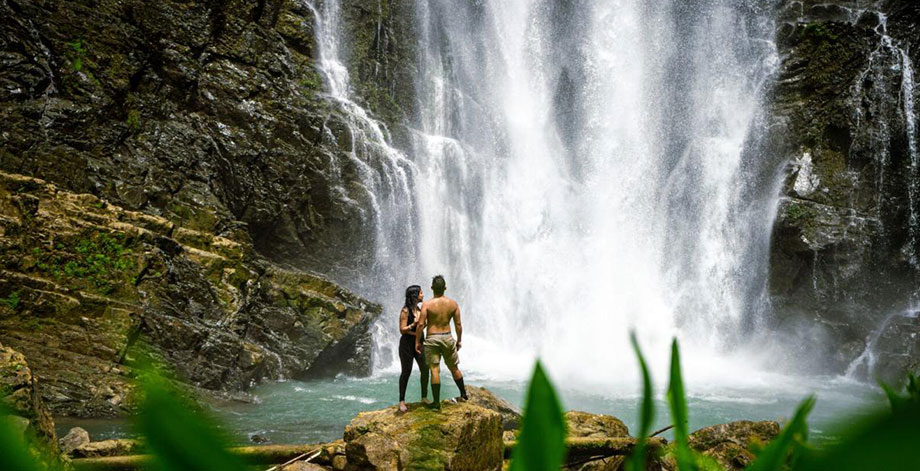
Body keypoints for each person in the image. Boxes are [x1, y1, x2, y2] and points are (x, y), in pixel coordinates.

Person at [415, 275, 468, 410]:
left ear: (432, 288)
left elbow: (420, 324)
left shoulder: (427, 304)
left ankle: (436, 402)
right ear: (445, 288)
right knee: (454, 367)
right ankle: (463, 394)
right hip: (447, 337)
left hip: (432, 338)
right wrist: (459, 340)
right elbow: (458, 324)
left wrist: (417, 341)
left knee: (434, 369)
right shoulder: (453, 304)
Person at [398, 285, 429, 412]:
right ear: (415, 296)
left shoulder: (420, 309)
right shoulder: (405, 311)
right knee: (406, 371)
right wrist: (413, 325)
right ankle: (402, 401)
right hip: (407, 344)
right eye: (421, 293)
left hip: (420, 342)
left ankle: (424, 397)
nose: (423, 294)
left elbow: (423, 326)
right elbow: (402, 329)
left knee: (425, 369)